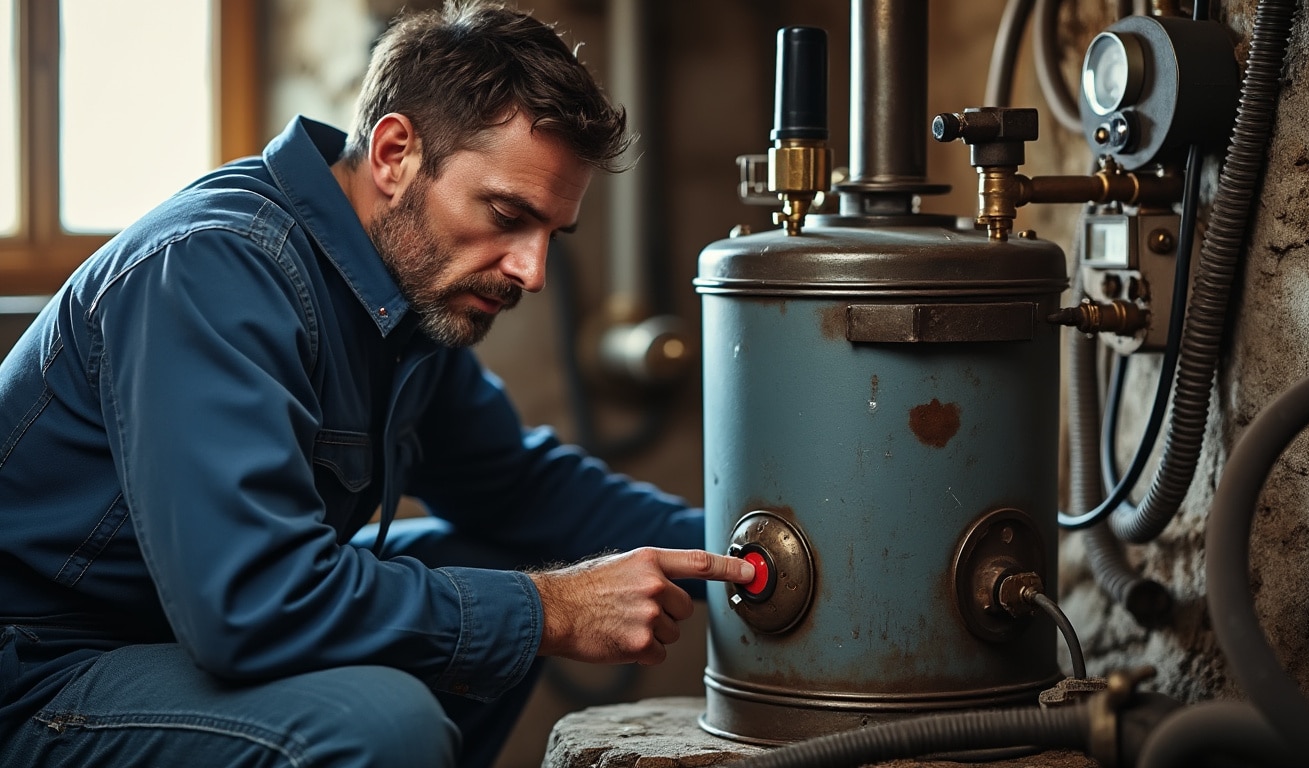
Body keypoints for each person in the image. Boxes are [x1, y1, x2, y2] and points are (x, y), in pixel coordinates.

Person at [0, 2, 754, 766]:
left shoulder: (400, 299)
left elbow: (519, 490)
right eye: (506, 214)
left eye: (550, 235)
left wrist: (746, 555)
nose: (532, 271)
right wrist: (551, 609)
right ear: (395, 154)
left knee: (501, 562)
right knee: (385, 722)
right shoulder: (212, 268)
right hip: (39, 670)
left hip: (165, 640)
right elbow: (251, 602)